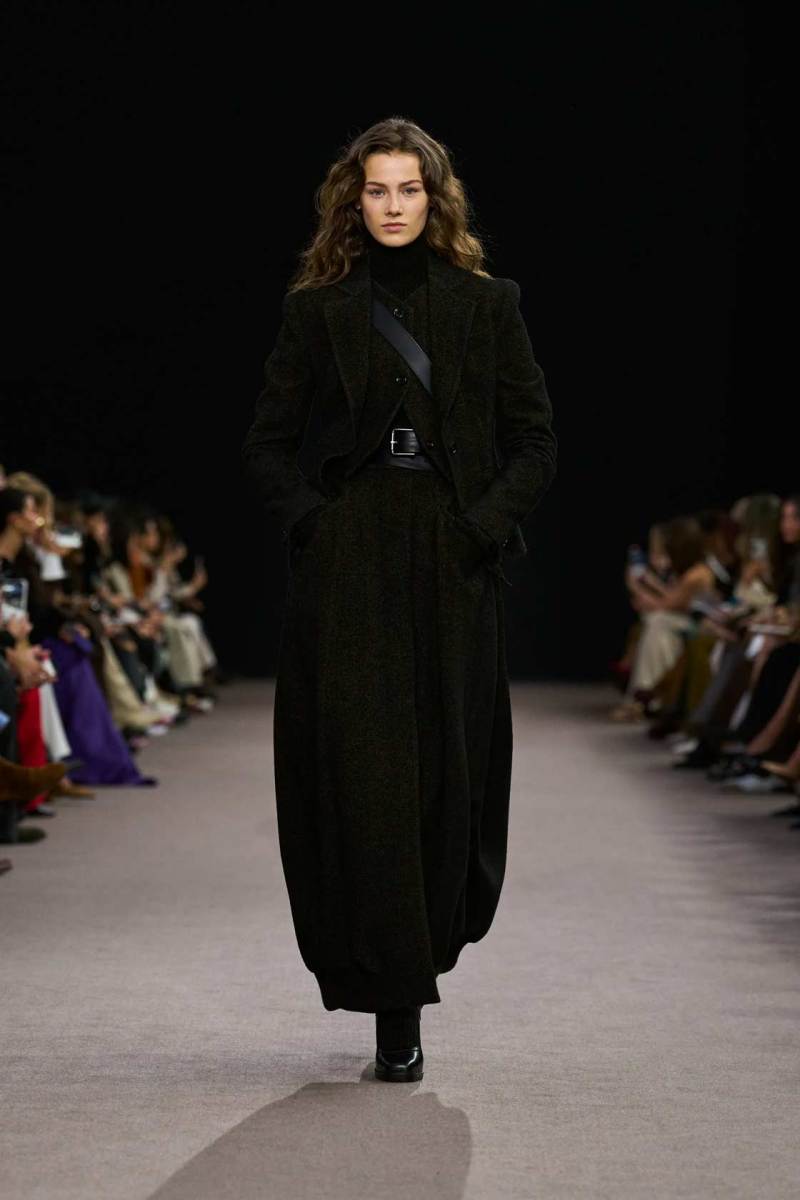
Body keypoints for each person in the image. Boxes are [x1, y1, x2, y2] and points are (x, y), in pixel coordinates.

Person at [241, 116, 557, 1081]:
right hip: (351, 562)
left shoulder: (486, 304)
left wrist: (478, 529)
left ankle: (422, 951)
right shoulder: (318, 311)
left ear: (434, 198)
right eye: (376, 189)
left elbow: (534, 440)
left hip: (452, 558)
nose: (391, 206)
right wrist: (318, 527)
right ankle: (396, 1002)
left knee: (447, 773)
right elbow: (266, 445)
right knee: (364, 777)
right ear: (354, 200)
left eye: (408, 189)